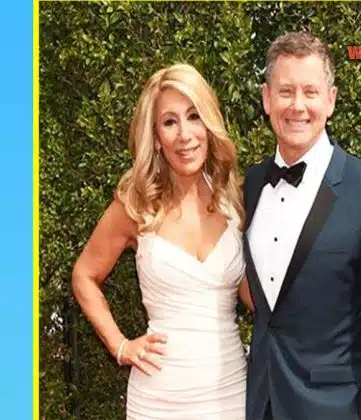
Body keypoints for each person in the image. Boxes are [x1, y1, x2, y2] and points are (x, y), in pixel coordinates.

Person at [242, 32, 361, 419]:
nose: (297, 105)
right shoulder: (251, 185)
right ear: (266, 99)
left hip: (336, 408)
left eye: (310, 92)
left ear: (331, 100)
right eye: (286, 91)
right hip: (261, 404)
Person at [72, 63, 254, 419]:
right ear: (156, 137)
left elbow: (252, 293)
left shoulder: (235, 200)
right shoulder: (135, 206)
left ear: (208, 125)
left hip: (229, 394)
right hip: (157, 398)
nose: (184, 135)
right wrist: (120, 346)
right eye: (170, 122)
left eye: (193, 116)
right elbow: (84, 275)